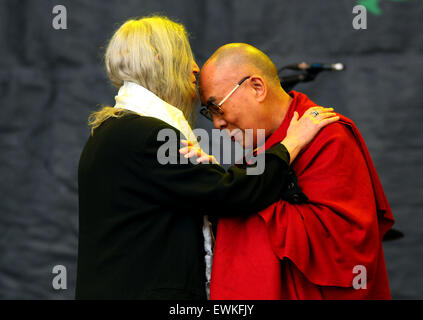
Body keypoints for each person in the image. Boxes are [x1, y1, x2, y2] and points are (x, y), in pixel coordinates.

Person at [75, 17, 338, 300]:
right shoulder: (147, 134)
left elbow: (196, 194)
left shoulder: (111, 131)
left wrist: (206, 169)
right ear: (161, 61)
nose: (195, 69)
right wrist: (290, 144)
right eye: (186, 57)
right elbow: (231, 194)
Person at [198, 43, 395, 300]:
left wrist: (243, 195)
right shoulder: (266, 149)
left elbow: (345, 244)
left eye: (216, 107)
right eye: (208, 113)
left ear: (257, 87)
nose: (217, 123)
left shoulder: (330, 137)